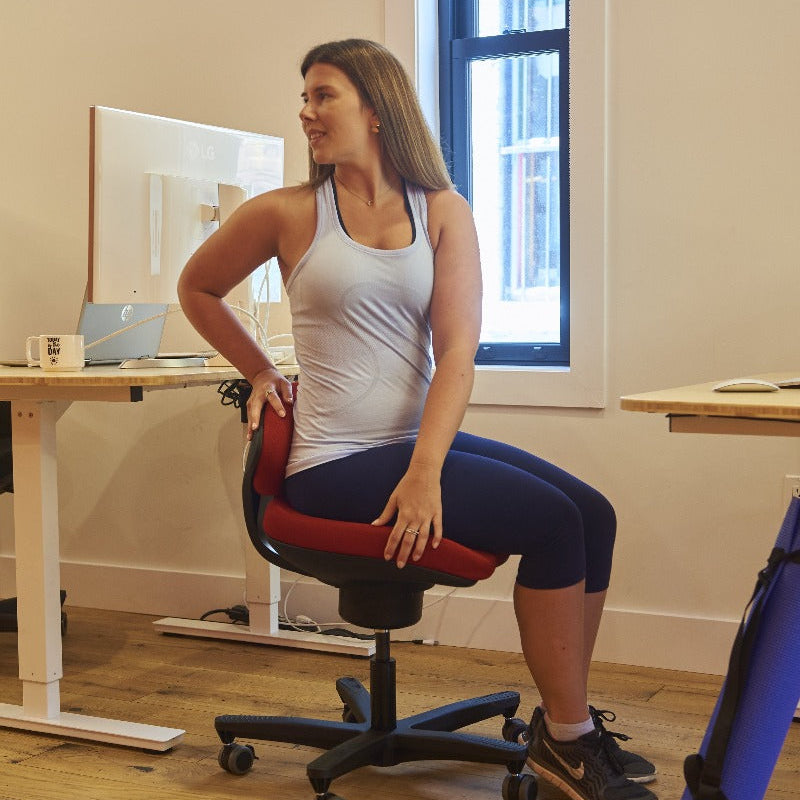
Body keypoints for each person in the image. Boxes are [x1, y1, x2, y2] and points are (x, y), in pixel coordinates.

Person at [178, 38, 657, 800]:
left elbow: (456, 353)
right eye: (303, 96)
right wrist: (261, 370)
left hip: (408, 448)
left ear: (375, 106)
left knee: (591, 514)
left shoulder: (442, 211)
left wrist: (426, 467)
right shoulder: (289, 213)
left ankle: (572, 727)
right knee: (554, 526)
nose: (306, 112)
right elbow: (197, 287)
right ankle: (565, 745)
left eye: (323, 95)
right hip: (333, 464)